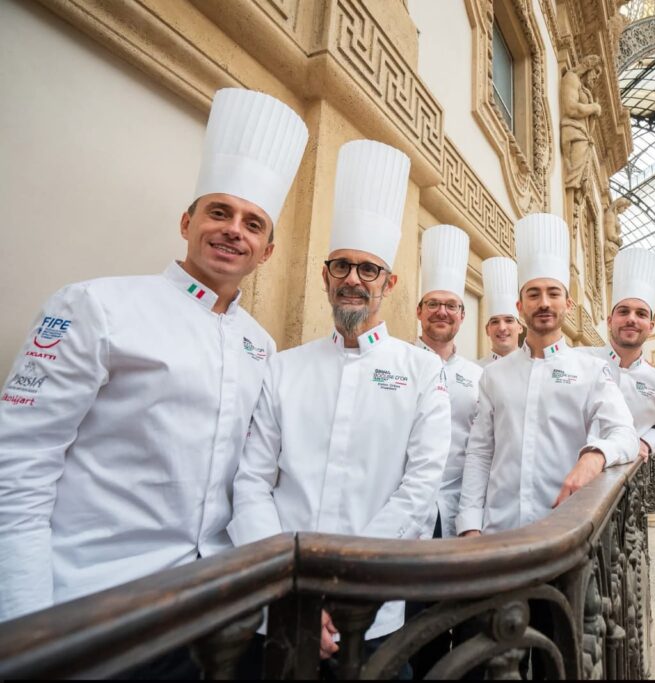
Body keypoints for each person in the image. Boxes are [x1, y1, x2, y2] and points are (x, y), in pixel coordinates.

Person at [0, 88, 308, 625]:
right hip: (94, 601)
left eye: (253, 223)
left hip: (213, 601)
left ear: (266, 252)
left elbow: (250, 477)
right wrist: (26, 620)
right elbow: (21, 462)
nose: (234, 230)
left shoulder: (260, 345)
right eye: (220, 212)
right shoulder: (94, 306)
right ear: (187, 223)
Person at [227, 139, 451, 663]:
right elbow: (252, 480)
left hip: (371, 605)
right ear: (325, 277)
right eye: (342, 266)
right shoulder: (284, 366)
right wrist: (286, 579)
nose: (353, 278)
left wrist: (346, 582)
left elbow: (419, 488)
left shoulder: (422, 371)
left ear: (389, 283)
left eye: (368, 269)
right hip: (280, 602)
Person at [456, 213, 638, 537]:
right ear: (520, 306)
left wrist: (595, 456)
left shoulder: (591, 371)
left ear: (567, 303)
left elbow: (625, 434)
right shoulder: (494, 376)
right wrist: (469, 525)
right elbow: (480, 451)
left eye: (553, 293)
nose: (544, 303)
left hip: (563, 533)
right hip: (498, 531)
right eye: (533, 294)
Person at [580, 248, 655, 462]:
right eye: (623, 311)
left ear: (650, 327)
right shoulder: (580, 360)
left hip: (623, 478)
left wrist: (647, 442)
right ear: (610, 321)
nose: (631, 319)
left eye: (641, 314)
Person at [413, 225, 481, 540]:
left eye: (451, 305)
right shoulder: (398, 363)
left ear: (462, 315)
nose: (442, 312)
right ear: (419, 311)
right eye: (433, 304)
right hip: (404, 507)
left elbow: (482, 447)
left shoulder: (478, 376)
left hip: (457, 508)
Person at [477, 256, 523, 367]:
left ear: (520, 328)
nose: (502, 328)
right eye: (495, 322)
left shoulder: (533, 368)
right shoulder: (475, 370)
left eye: (509, 320)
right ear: (487, 330)